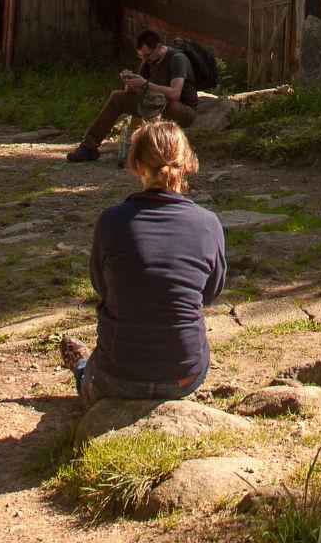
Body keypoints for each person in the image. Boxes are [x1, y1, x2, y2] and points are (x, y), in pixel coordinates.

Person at [60, 121, 225, 406]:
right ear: (185, 165)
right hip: (184, 376)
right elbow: (210, 293)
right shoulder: (208, 224)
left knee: (89, 378)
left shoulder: (112, 221)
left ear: (135, 164)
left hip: (117, 377)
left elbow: (103, 289)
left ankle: (82, 367)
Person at [66, 28, 199, 163]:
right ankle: (89, 146)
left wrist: (145, 84)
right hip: (156, 102)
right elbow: (133, 93)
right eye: (142, 57)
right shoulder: (148, 61)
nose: (145, 59)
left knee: (155, 104)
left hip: (182, 109)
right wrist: (129, 83)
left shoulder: (177, 59)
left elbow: (175, 93)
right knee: (117, 97)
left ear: (158, 47)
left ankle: (143, 154)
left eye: (147, 55)